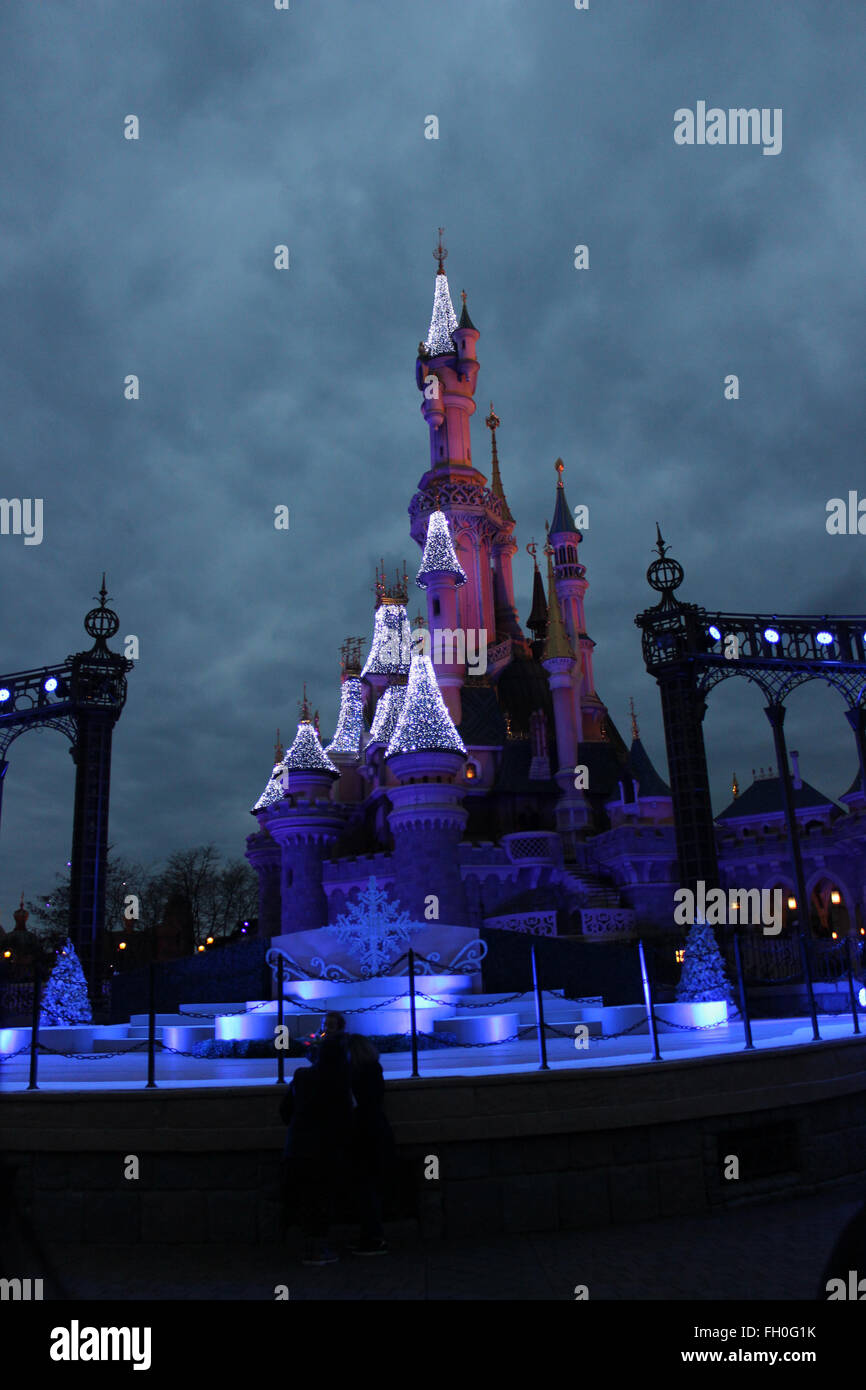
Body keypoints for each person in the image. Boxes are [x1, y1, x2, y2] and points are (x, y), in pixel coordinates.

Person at [279, 1034, 353, 1265]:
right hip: (325, 1148)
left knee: (306, 1197)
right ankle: (318, 1249)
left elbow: (285, 1109)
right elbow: (346, 1115)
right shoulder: (340, 1081)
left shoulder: (301, 1077)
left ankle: (309, 1246)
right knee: (321, 1198)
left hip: (298, 1146)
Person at [346, 1032, 395, 1256]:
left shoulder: (353, 1073)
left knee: (365, 1188)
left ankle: (373, 1238)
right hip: (378, 1131)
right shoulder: (374, 1069)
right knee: (372, 1187)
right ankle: (373, 1236)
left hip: (362, 1134)